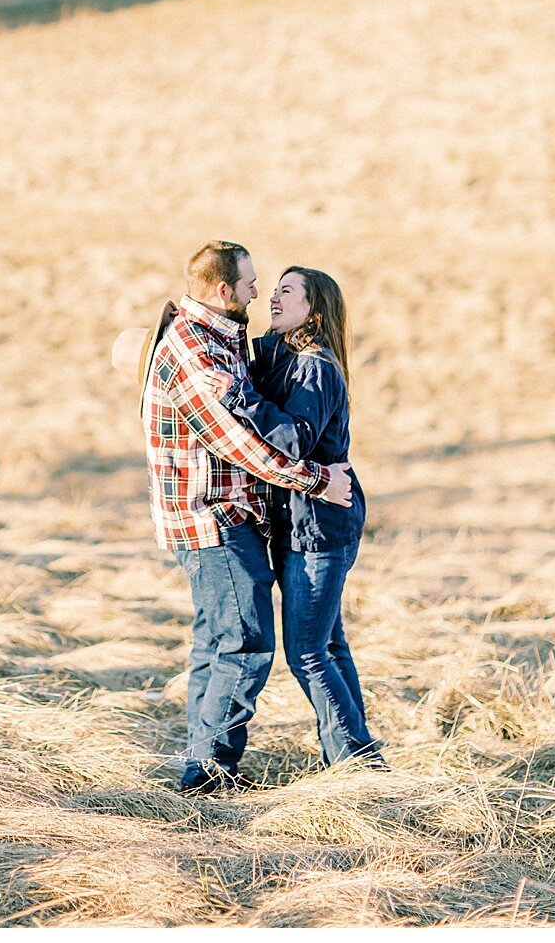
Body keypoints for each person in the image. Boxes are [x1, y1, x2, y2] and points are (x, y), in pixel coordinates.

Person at [133, 240, 354, 795]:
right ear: (224, 290)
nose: (263, 293)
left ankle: (210, 766)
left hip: (263, 521)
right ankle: (210, 775)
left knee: (231, 644)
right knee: (244, 643)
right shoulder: (198, 349)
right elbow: (239, 444)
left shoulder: (232, 340)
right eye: (257, 283)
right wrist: (318, 479)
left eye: (281, 288)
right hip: (217, 518)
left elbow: (283, 422)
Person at [228, 265, 385, 769]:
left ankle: (356, 764)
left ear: (312, 310)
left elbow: (294, 439)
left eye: (287, 291)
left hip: (319, 528)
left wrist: (241, 399)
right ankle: (361, 761)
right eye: (273, 289)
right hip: (301, 522)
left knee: (308, 654)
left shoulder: (314, 366)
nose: (273, 296)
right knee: (329, 645)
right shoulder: (279, 359)